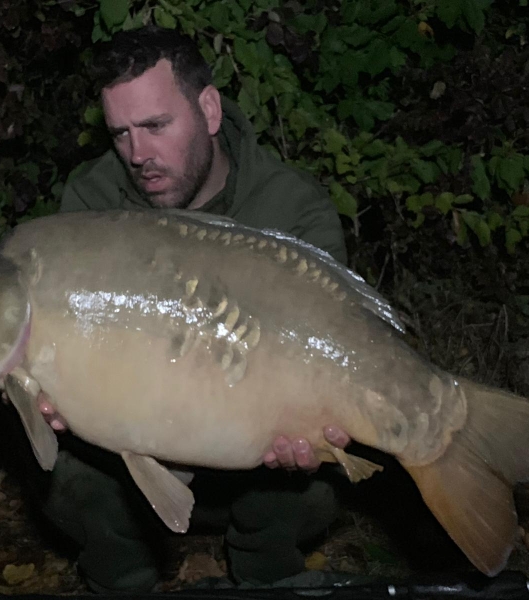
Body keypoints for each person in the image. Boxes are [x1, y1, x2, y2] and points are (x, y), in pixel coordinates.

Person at [35, 24, 352, 593]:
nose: (138, 155)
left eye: (156, 126)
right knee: (71, 479)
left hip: (256, 459)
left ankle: (265, 569)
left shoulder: (291, 206)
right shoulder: (92, 204)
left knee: (316, 484)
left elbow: (338, 344)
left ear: (208, 109)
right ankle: (124, 579)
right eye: (121, 134)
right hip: (136, 453)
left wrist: (320, 429)